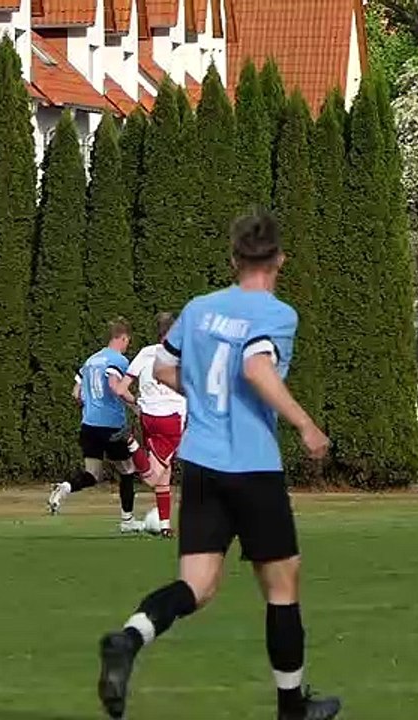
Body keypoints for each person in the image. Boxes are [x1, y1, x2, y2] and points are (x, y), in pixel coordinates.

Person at [95, 210, 340, 720]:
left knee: (196, 586)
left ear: (233, 259)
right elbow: (255, 366)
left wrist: (206, 394)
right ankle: (291, 709)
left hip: (201, 465)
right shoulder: (277, 313)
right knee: (281, 588)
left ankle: (130, 637)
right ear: (279, 260)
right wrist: (305, 424)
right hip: (252, 465)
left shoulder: (201, 308)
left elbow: (164, 366)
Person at [47, 318, 150, 533]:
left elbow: (76, 393)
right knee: (128, 469)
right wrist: (136, 403)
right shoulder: (118, 360)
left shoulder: (91, 360)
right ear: (123, 338)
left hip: (89, 425)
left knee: (92, 474)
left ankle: (65, 488)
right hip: (111, 425)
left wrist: (91, 406)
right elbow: (115, 386)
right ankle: (127, 521)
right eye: (127, 341)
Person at [122, 312, 188, 538]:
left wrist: (136, 406)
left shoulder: (145, 352)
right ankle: (130, 443)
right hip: (170, 418)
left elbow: (121, 388)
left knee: (165, 472)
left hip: (148, 416)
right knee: (151, 476)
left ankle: (165, 525)